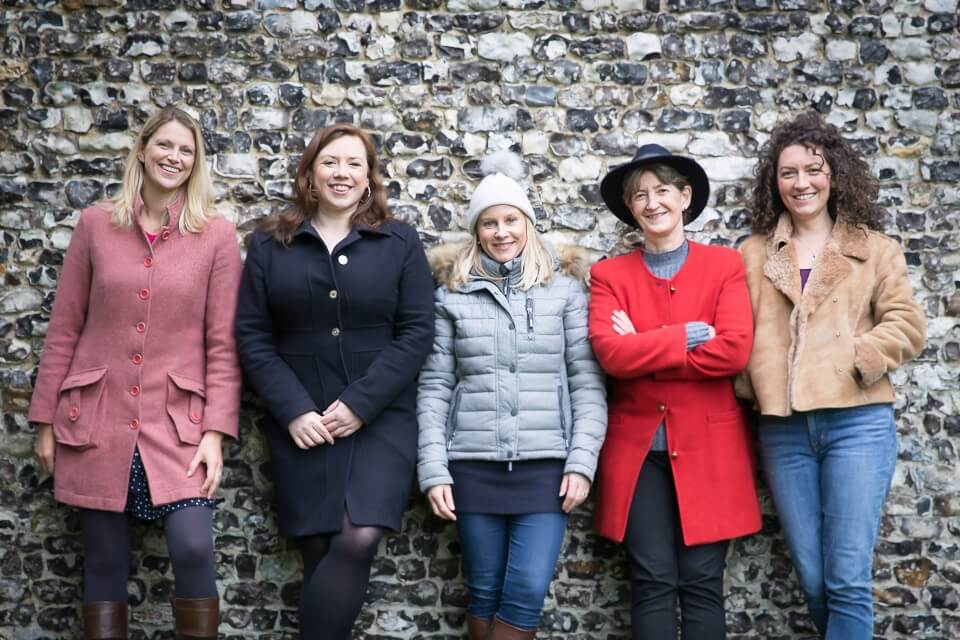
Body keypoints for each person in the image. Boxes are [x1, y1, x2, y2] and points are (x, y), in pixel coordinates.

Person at [28, 106, 242, 639]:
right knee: (104, 561)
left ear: (196, 164)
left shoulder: (215, 236)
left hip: (178, 425)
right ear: (142, 151)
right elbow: (64, 329)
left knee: (193, 546)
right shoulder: (96, 225)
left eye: (186, 151)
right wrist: (46, 423)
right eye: (164, 146)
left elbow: (223, 345)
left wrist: (215, 432)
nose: (174, 157)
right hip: (95, 420)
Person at [235, 123, 434, 639]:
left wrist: (360, 405)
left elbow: (416, 333)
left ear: (369, 177)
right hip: (301, 421)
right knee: (320, 546)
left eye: (354, 164)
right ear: (310, 173)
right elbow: (253, 336)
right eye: (330, 162)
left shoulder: (399, 240)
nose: (341, 173)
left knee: (359, 536)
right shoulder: (269, 243)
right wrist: (293, 410)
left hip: (380, 419)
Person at [737, 112, 926, 639]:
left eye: (813, 170)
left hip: (857, 425)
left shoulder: (874, 248)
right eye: (788, 173)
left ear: (834, 174)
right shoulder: (753, 254)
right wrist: (750, 384)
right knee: (815, 580)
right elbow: (735, 331)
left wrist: (854, 354)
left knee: (846, 580)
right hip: (783, 431)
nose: (802, 183)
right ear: (774, 184)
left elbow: (908, 325)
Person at [416, 151, 607, 640]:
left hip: (546, 468)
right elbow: (435, 387)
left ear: (528, 223)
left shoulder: (564, 293)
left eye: (511, 220)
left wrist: (581, 462)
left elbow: (586, 384)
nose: (502, 232)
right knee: (483, 588)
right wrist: (434, 469)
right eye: (489, 223)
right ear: (476, 231)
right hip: (473, 466)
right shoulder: (451, 297)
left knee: (525, 587)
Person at [588, 144, 762, 639]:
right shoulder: (608, 275)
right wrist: (685, 336)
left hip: (711, 446)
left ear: (685, 197)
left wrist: (643, 345)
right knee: (651, 581)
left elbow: (731, 353)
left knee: (703, 581)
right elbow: (611, 356)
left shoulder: (724, 265)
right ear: (630, 208)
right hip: (637, 452)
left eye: (662, 190)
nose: (652, 202)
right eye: (639, 195)